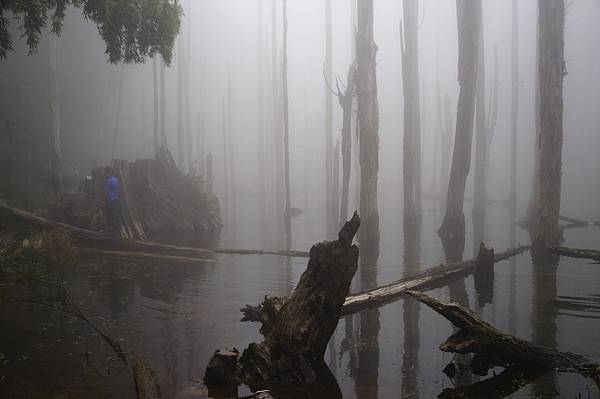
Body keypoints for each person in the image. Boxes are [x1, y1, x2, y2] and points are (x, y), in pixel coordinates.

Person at [104, 167, 122, 233]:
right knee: (115, 215)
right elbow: (119, 189)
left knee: (110, 215)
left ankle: (111, 230)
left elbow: (106, 192)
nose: (104, 174)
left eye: (105, 173)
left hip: (110, 201)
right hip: (116, 200)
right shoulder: (116, 180)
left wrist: (103, 201)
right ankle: (116, 229)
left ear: (107, 173)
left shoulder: (108, 181)